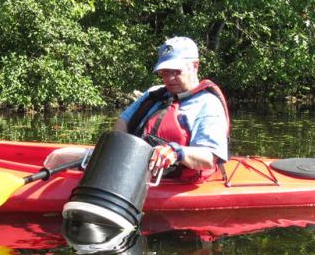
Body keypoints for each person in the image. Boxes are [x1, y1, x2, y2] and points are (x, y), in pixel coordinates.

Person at [45, 36, 230, 181]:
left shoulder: (208, 105)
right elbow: (123, 120)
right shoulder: (155, 92)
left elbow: (208, 158)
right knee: (58, 157)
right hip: (128, 163)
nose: (169, 78)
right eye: (165, 72)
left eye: (176, 71)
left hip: (166, 177)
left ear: (195, 66)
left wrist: (176, 152)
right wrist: (118, 151)